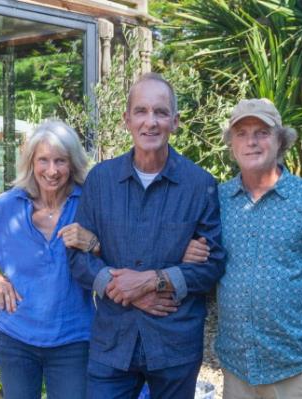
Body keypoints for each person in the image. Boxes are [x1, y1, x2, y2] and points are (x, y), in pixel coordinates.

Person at [0, 120, 205, 399]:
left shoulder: (87, 203)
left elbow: (129, 249)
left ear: (73, 163)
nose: (51, 171)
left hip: (74, 341)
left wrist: (96, 243)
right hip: (16, 339)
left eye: (60, 161)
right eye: (43, 160)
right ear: (31, 162)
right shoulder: (8, 206)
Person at [68, 73, 225, 399]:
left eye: (160, 112)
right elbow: (78, 256)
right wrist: (123, 287)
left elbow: (212, 267)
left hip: (174, 342)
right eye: (140, 111)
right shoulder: (101, 180)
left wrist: (152, 280)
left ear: (175, 121)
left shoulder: (201, 185)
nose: (150, 122)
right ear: (126, 119)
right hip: (113, 340)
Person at [194, 98, 302, 398]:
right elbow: (204, 255)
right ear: (231, 143)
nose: (251, 141)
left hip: (296, 371)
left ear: (281, 140)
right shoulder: (218, 200)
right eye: (241, 133)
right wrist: (192, 252)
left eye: (262, 132)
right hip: (237, 369)